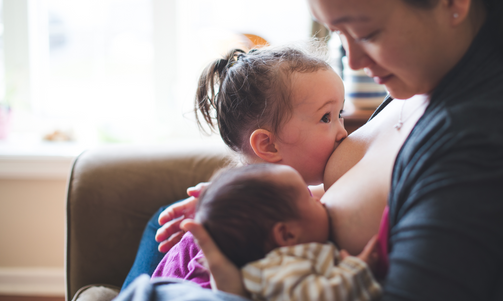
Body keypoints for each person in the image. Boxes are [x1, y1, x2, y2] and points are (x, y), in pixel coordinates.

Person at [118, 0, 503, 300]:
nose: (357, 62)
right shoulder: (427, 83)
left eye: (367, 31)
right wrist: (242, 206)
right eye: (340, 36)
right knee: (163, 219)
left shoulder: (475, 137)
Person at [123, 44, 349, 289]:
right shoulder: (237, 231)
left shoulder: (285, 199)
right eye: (326, 117)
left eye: (340, 113)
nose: (343, 133)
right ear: (268, 145)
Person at [184, 163, 382, 300]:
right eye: (308, 198)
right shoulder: (279, 267)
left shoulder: (283, 262)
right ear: (286, 235)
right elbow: (317, 297)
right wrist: (356, 270)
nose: (318, 200)